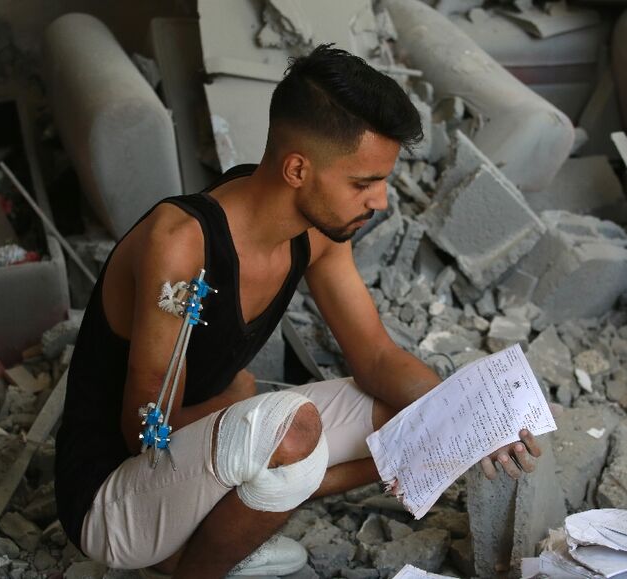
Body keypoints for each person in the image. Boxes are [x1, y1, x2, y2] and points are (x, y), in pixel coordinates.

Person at [54, 44, 542, 579]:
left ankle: (231, 527)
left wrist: (467, 418)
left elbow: (377, 357)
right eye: (363, 183)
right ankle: (198, 562)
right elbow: (144, 433)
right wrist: (279, 460)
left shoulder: (320, 233)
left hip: (198, 462)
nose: (380, 201)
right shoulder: (181, 246)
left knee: (404, 407)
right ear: (296, 169)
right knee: (288, 429)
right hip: (114, 500)